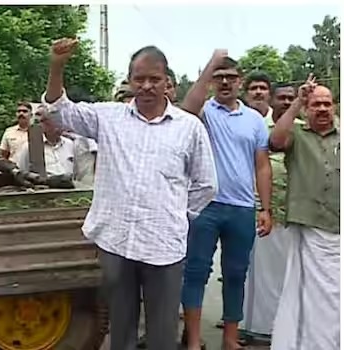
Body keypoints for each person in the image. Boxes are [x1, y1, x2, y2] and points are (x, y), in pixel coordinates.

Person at [42, 38, 217, 350]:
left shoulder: (189, 128)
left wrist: (176, 215)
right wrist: (57, 65)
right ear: (129, 81)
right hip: (116, 242)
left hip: (164, 246)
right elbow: (59, 109)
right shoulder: (108, 118)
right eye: (139, 79)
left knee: (162, 334)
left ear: (168, 82)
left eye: (155, 79)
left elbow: (206, 185)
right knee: (120, 330)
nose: (147, 86)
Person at [179, 51, 273, 350]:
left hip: (242, 208)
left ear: (240, 82)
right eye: (218, 78)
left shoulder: (255, 120)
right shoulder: (203, 113)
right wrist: (209, 67)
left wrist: (266, 208)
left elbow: (262, 165)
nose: (224, 83)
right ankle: (194, 340)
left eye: (230, 78)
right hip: (205, 206)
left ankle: (230, 339)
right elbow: (186, 110)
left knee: (235, 274)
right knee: (196, 272)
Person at [269, 77, 340, 350]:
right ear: (306, 110)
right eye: (315, 104)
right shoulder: (296, 135)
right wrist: (297, 99)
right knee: (308, 298)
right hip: (309, 229)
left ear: (334, 107)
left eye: (327, 104)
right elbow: (275, 140)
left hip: (338, 229)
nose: (322, 109)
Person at [239, 81, 305, 345]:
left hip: (296, 214)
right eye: (283, 98)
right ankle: (257, 327)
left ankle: (289, 328)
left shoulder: (304, 130)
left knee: (291, 276)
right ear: (273, 101)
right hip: (262, 211)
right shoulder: (259, 130)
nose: (287, 102)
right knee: (258, 275)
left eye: (292, 98)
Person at [14, 105, 75, 178]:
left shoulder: (69, 144)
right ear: (43, 124)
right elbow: (22, 172)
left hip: (71, 187)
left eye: (60, 122)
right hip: (45, 187)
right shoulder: (30, 147)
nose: (59, 125)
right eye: (55, 121)